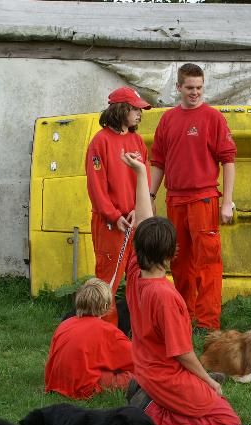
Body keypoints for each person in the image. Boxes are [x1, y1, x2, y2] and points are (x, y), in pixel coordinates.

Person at [121, 148, 241, 425]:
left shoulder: (135, 273)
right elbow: (183, 353)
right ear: (172, 253)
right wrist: (208, 382)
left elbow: (143, 222)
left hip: (146, 368)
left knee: (200, 388)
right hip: (165, 375)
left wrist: (141, 175)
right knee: (227, 420)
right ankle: (153, 412)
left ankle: (149, 391)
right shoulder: (165, 296)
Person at [149, 63, 237, 332]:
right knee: (178, 260)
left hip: (204, 200)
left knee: (208, 262)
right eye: (189, 88)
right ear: (178, 88)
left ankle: (208, 321)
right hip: (174, 200)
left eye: (199, 88)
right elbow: (158, 161)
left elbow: (228, 161)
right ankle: (185, 315)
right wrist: (150, 195)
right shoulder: (168, 119)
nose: (195, 93)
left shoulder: (213, 118)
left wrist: (227, 202)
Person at [86, 86, 152, 326]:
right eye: (135, 109)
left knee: (139, 276)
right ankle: (105, 330)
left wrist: (139, 208)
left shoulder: (137, 141)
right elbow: (96, 188)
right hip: (111, 225)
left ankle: (137, 330)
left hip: (135, 220)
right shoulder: (99, 142)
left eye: (140, 109)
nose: (139, 113)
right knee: (108, 280)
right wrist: (114, 216)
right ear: (120, 110)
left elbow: (145, 178)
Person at [44, 278, 134, 399]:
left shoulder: (65, 324)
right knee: (139, 376)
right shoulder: (107, 331)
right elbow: (137, 359)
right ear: (106, 306)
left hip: (56, 382)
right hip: (82, 386)